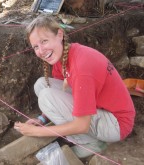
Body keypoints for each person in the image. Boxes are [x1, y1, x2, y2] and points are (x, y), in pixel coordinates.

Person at [14, 14, 136, 159]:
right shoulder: (63, 55)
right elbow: (61, 92)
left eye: (44, 41)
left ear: (59, 34)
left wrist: (35, 132)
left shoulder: (81, 67)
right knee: (41, 85)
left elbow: (82, 125)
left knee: (47, 97)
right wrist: (42, 119)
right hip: (101, 109)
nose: (41, 50)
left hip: (116, 124)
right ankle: (84, 136)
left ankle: (91, 144)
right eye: (36, 46)